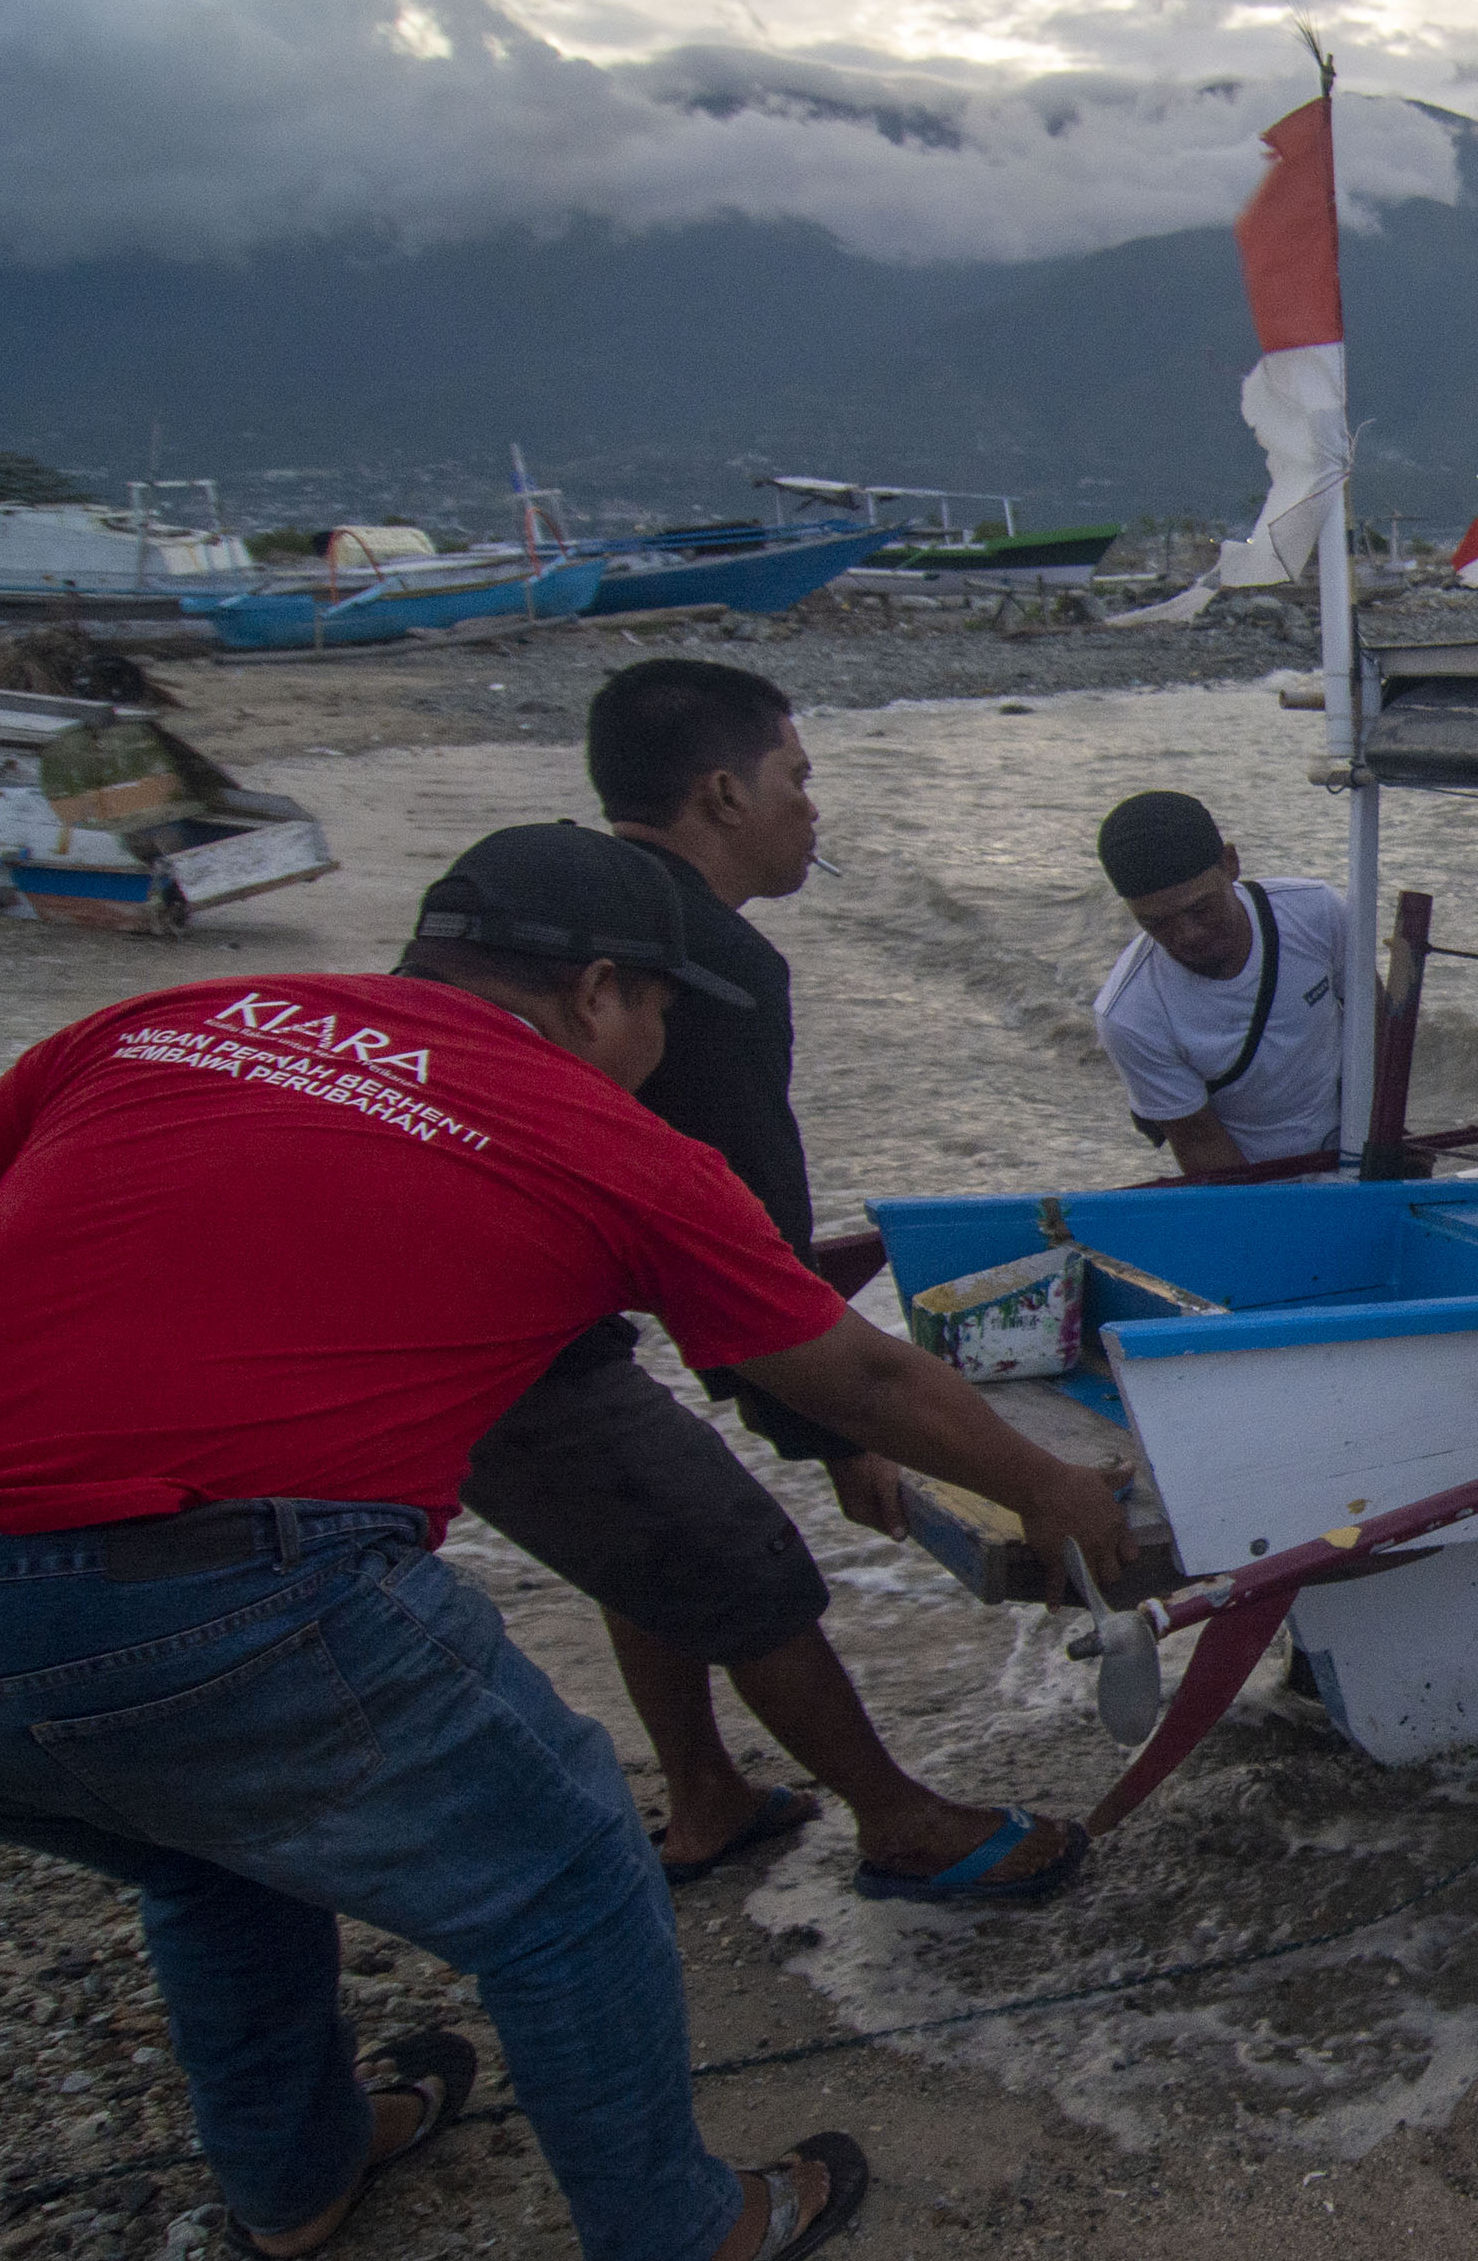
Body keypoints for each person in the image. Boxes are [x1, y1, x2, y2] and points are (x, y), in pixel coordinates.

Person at [0, 824, 1132, 2261]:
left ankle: (294, 2171)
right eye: (658, 1019)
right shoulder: (601, 1135)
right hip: (211, 1584)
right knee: (566, 1871)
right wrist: (1050, 1485)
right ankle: (671, 2245)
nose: (656, 1053)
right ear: (595, 992)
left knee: (204, 1855)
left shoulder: (165, 1021)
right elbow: (854, 1370)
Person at [461, 660, 1085, 1907]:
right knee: (735, 1555)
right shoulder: (710, 964)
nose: (814, 808)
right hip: (501, 1327)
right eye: (796, 777)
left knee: (636, 1539)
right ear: (721, 794)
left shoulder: (537, 897)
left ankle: (707, 1795)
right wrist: (832, 1434)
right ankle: (898, 1823)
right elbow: (754, 1236)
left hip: (481, 1290)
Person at [1089, 790, 1348, 1175]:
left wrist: (1381, 1138)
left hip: (1355, 1143)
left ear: (1230, 863)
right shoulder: (1129, 1016)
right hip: (1253, 1178)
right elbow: (1200, 1144)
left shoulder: (1316, 911)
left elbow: (1373, 1018)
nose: (1188, 936)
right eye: (1156, 923)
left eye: (1200, 909)